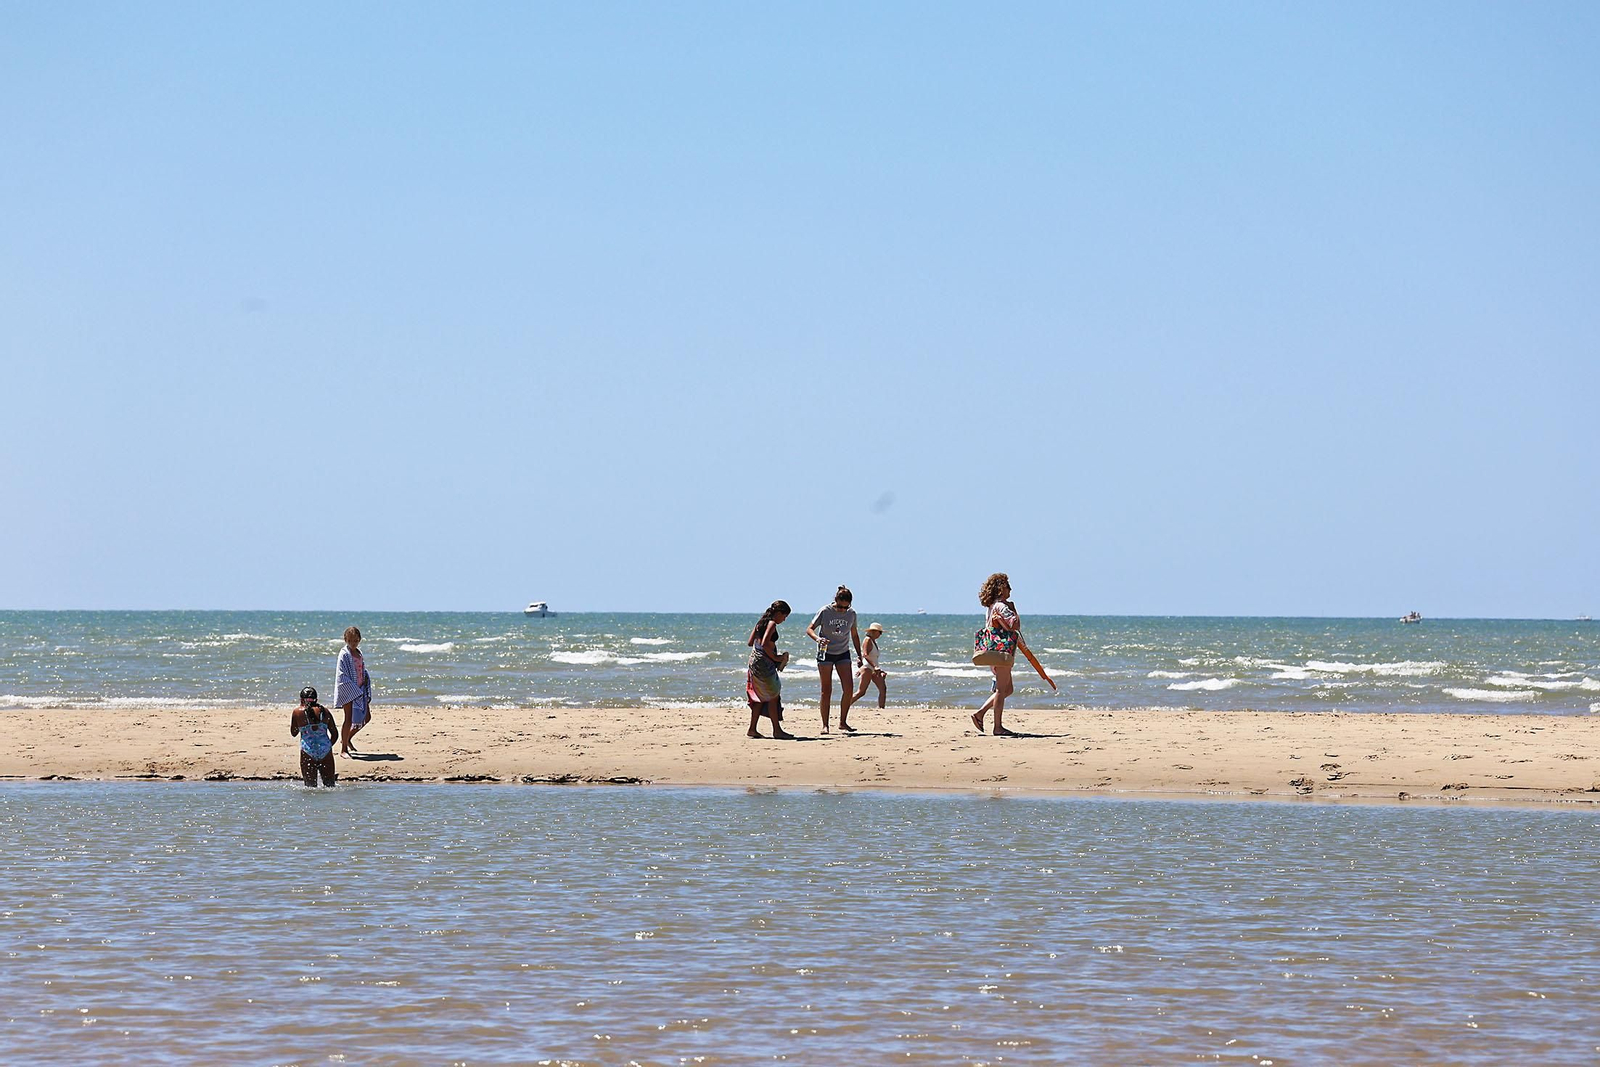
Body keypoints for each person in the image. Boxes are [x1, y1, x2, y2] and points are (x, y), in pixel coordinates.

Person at [805, 585, 862, 733]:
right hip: (826, 653)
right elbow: (809, 629)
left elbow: (854, 635)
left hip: (843, 652)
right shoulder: (825, 611)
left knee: (848, 688)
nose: (843, 610)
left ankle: (843, 722)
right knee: (826, 690)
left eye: (846, 607)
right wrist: (818, 639)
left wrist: (859, 655)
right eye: (840, 607)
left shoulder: (852, 614)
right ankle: (825, 725)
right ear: (835, 601)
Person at [972, 573, 1022, 736]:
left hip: (994, 651)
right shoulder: (1001, 606)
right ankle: (997, 727)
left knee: (1008, 689)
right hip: (1001, 651)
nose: (1011, 590)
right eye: (1008, 586)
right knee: (1002, 690)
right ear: (1001, 588)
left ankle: (980, 713)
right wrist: (1013, 608)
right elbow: (1015, 625)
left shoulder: (992, 606)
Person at [746, 601, 794, 739]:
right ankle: (777, 731)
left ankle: (752, 729)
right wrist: (776, 657)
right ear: (778, 613)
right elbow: (765, 642)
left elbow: (751, 642)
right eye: (784, 616)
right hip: (764, 664)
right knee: (773, 695)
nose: (784, 619)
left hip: (754, 662)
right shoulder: (772, 623)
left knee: (760, 697)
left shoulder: (760, 622)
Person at [334, 625, 371, 756]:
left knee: (366, 717)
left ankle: (347, 738)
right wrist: (352, 688)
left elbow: (361, 669)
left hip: (360, 689)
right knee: (348, 719)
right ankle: (343, 749)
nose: (353, 643)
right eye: (350, 641)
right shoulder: (344, 654)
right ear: (345, 640)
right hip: (348, 689)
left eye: (355, 640)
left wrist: (365, 680)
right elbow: (341, 674)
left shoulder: (359, 653)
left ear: (359, 640)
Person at [291, 685, 339, 787]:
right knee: (330, 786)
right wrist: (328, 746)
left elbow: (293, 733)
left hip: (308, 750)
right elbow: (335, 734)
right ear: (316, 699)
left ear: (301, 699)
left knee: (310, 788)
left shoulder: (297, 712)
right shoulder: (325, 711)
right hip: (325, 749)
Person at [852, 622, 888, 710]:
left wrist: (880, 669)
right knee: (861, 692)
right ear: (874, 632)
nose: (880, 634)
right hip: (868, 668)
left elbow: (873, 657)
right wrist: (875, 667)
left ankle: (881, 708)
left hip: (874, 668)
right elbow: (866, 655)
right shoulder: (867, 640)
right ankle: (845, 705)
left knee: (883, 688)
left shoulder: (873, 641)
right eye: (880, 632)